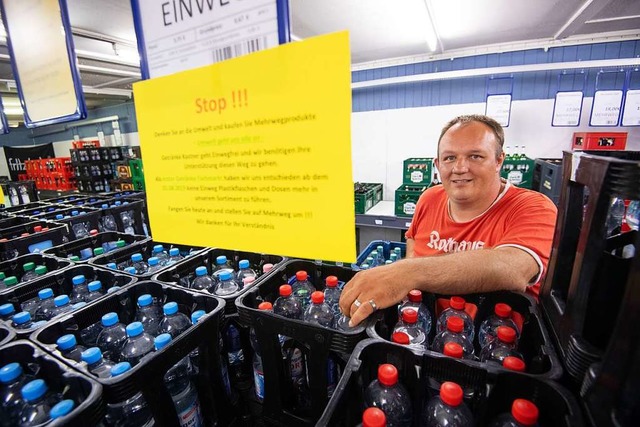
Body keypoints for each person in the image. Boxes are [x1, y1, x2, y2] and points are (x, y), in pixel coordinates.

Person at [340, 114, 557, 327]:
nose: (460, 168)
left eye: (475, 156)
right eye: (449, 158)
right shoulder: (429, 199)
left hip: (494, 344)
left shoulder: (533, 207)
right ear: (437, 163)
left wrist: (406, 272)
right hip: (423, 329)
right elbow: (414, 243)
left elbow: (514, 268)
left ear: (499, 160)